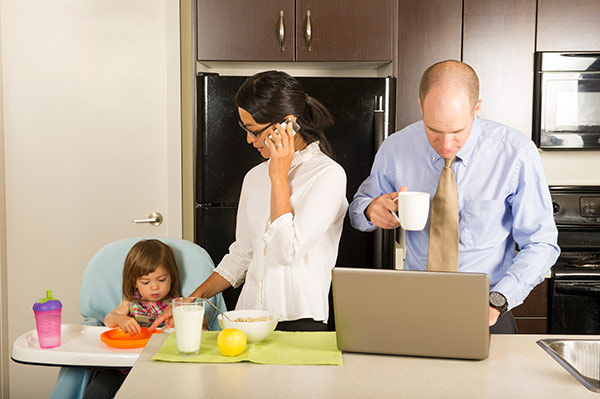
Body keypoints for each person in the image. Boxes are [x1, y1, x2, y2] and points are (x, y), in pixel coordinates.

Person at [349, 60, 560, 333]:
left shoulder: (515, 153)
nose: (446, 145)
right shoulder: (396, 147)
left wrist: (497, 300)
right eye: (433, 130)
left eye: (457, 132)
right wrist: (370, 210)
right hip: (415, 308)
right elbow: (358, 210)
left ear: (476, 108)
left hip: (489, 310)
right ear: (421, 106)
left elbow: (541, 243)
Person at [151, 71, 348, 332]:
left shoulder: (328, 175)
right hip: (247, 318)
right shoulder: (254, 177)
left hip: (300, 322)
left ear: (288, 124)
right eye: (244, 129)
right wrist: (193, 301)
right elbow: (243, 252)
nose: (249, 140)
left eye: (254, 131)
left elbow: (287, 251)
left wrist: (278, 177)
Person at [83, 239, 181, 399]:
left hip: (159, 367)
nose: (154, 287)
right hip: (122, 368)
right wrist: (121, 319)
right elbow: (109, 319)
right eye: (145, 282)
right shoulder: (131, 302)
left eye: (161, 280)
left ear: (172, 277)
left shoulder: (176, 305)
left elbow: (199, 326)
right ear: (134, 282)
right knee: (96, 390)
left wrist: (178, 323)